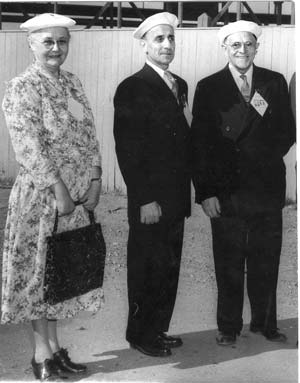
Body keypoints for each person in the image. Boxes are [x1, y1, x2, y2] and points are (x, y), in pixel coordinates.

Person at [1, 13, 103, 380]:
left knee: (60, 276)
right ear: (30, 45)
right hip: (42, 198)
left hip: (75, 198)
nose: (56, 49)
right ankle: (40, 355)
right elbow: (28, 148)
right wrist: (60, 191)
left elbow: (90, 136)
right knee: (38, 277)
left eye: (62, 42)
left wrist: (94, 180)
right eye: (48, 42)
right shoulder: (22, 88)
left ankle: (57, 349)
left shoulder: (72, 84)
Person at [190, 20, 295, 346]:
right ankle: (228, 327)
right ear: (225, 48)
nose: (242, 51)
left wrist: (261, 158)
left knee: (267, 259)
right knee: (229, 261)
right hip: (227, 191)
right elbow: (199, 144)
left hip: (265, 188)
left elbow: (287, 132)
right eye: (235, 45)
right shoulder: (209, 87)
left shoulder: (273, 82)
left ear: (256, 47)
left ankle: (265, 324)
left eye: (248, 44)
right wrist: (206, 192)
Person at [113, 12, 191, 357]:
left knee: (169, 267)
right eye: (158, 39)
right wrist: (144, 198)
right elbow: (127, 149)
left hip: (174, 196)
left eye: (171, 38)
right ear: (144, 44)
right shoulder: (132, 87)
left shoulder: (180, 84)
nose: (166, 44)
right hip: (150, 199)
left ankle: (158, 328)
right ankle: (141, 334)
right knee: (147, 267)